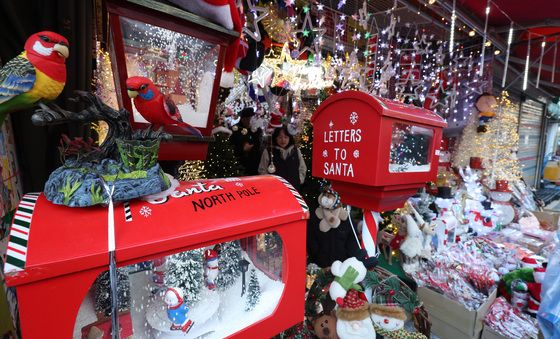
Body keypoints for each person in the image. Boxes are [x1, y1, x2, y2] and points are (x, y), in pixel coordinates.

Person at [258, 126, 306, 191]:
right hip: (274, 189)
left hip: (293, 189)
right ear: (275, 138)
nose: (283, 140)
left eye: (286, 137)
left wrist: (299, 180)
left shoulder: (296, 151)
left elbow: (302, 168)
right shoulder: (268, 151)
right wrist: (268, 183)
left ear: (290, 138)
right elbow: (262, 170)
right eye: (280, 137)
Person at [230, 107, 262, 175]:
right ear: (243, 119)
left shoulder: (257, 130)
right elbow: (230, 147)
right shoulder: (235, 130)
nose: (253, 121)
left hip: (255, 165)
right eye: (251, 119)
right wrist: (242, 149)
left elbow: (259, 145)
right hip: (239, 165)